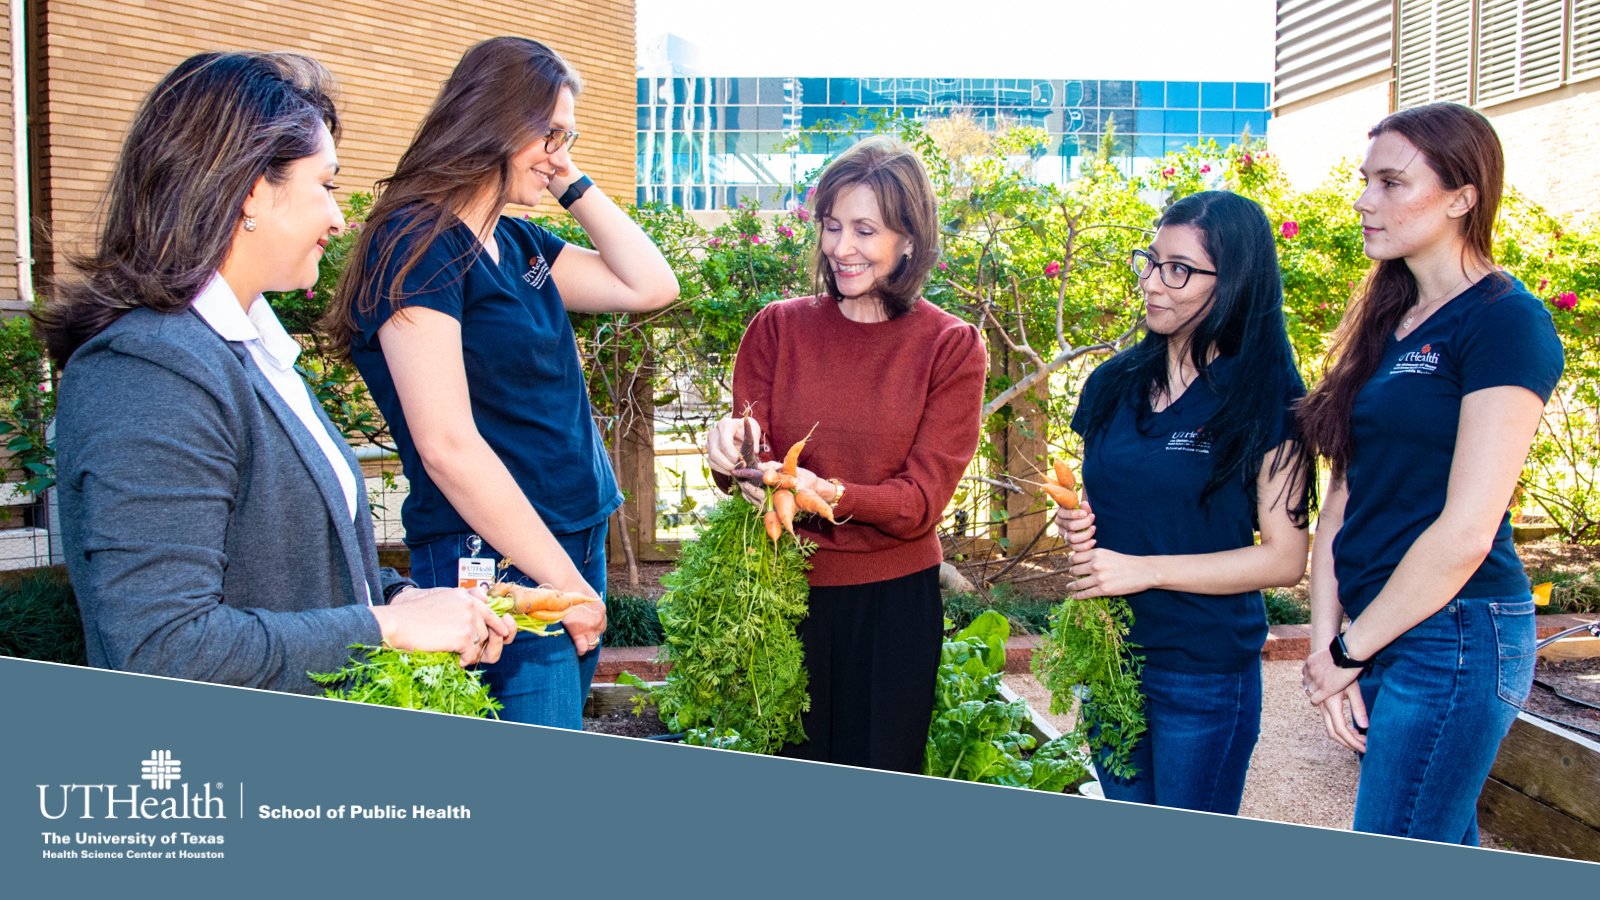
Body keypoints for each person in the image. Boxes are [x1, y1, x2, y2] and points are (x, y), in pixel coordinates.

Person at [39, 52, 514, 693]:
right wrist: (387, 630)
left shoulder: (250, 349)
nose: (339, 217)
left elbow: (304, 575)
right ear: (253, 191)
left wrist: (402, 601)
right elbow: (161, 649)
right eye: (326, 185)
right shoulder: (150, 371)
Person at [324, 37, 679, 729]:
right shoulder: (418, 244)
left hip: (570, 534)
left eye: (566, 136)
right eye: (548, 133)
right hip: (495, 556)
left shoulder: (519, 246)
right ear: (493, 119)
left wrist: (568, 176)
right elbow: (447, 446)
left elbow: (650, 284)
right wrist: (564, 583)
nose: (558, 151)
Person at [1297, 102, 1564, 844]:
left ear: (1462, 196)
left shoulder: (1504, 321)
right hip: (1381, 627)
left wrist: (1351, 650)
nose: (1363, 200)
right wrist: (1327, 643)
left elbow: (1468, 530)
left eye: (1390, 182)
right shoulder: (1389, 322)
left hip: (1454, 634)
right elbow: (1343, 500)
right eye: (1364, 181)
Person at [704, 137, 987, 773]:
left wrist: (825, 493)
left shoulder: (949, 346)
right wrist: (730, 455)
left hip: (891, 604)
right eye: (832, 226)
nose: (841, 248)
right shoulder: (777, 327)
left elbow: (919, 503)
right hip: (779, 593)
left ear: (910, 240)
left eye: (865, 229)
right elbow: (757, 454)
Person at [1056, 190, 1315, 814]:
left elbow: (1284, 559)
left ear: (1233, 285)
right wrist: (1078, 524)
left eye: (1180, 270)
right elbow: (1109, 499)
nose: (1153, 284)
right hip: (1112, 659)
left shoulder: (1268, 397)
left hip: (1202, 669)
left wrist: (1146, 570)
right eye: (1151, 261)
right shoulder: (1113, 383)